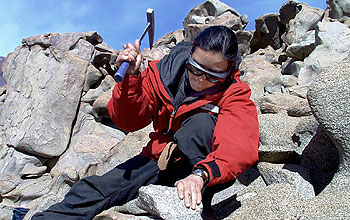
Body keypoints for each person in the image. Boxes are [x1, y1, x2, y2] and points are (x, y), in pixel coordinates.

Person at [31, 25, 259, 220]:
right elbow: (128, 121)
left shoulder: (235, 92)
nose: (200, 79)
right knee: (96, 189)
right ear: (190, 54)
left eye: (213, 76)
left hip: (202, 165)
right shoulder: (164, 73)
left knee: (200, 125)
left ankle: (198, 198)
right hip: (160, 156)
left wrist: (201, 175)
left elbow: (238, 147)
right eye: (195, 68)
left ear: (228, 71)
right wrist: (131, 78)